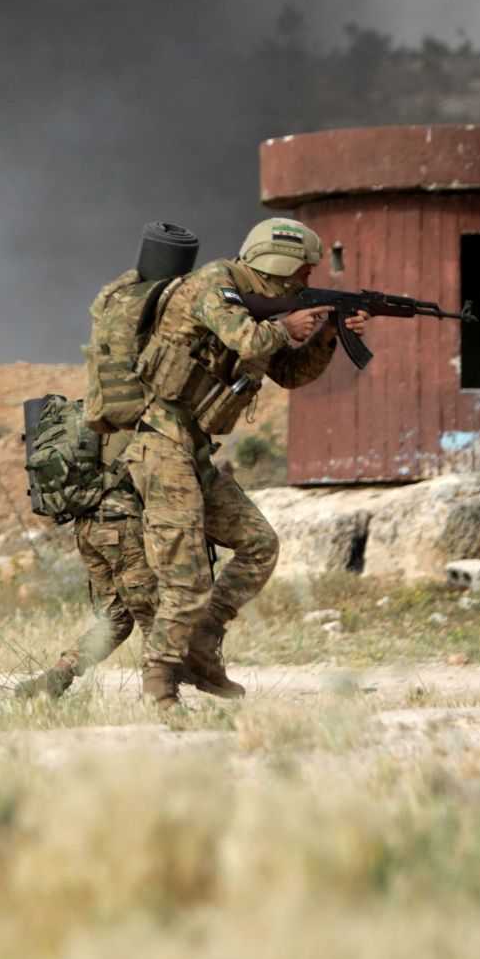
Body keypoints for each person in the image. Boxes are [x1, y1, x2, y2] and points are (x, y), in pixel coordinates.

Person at [125, 217, 369, 709]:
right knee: (187, 574)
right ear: (277, 266)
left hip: (192, 448)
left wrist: (324, 338)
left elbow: (290, 374)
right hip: (159, 440)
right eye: (301, 273)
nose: (304, 282)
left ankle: (202, 644)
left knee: (259, 544)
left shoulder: (262, 311)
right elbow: (250, 341)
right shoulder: (214, 284)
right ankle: (160, 685)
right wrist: (285, 326)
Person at [17, 430, 158, 699]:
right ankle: (160, 697)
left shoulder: (93, 433)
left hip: (87, 526)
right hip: (121, 524)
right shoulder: (137, 424)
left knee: (115, 619)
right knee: (154, 614)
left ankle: (58, 675)